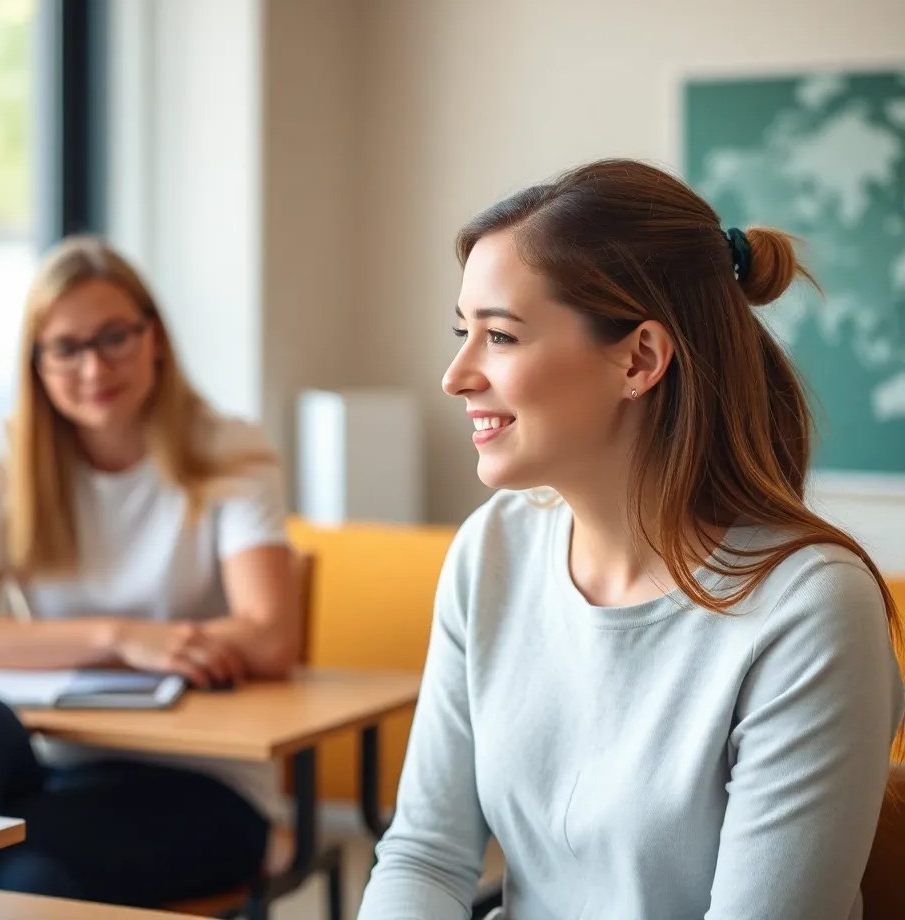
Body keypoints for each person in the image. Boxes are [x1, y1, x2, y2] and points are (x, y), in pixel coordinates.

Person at [358, 160, 905, 920]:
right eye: (463, 332)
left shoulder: (812, 608)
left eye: (501, 336)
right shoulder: (492, 551)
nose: (456, 376)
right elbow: (424, 855)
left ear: (639, 358)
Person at [0, 237, 299, 907]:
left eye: (114, 337)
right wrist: (119, 637)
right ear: (38, 364)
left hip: (210, 791)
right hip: (66, 769)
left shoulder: (229, 447)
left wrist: (87, 642)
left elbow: (270, 636)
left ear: (154, 338)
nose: (93, 366)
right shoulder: (8, 454)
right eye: (66, 348)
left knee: (2, 873)